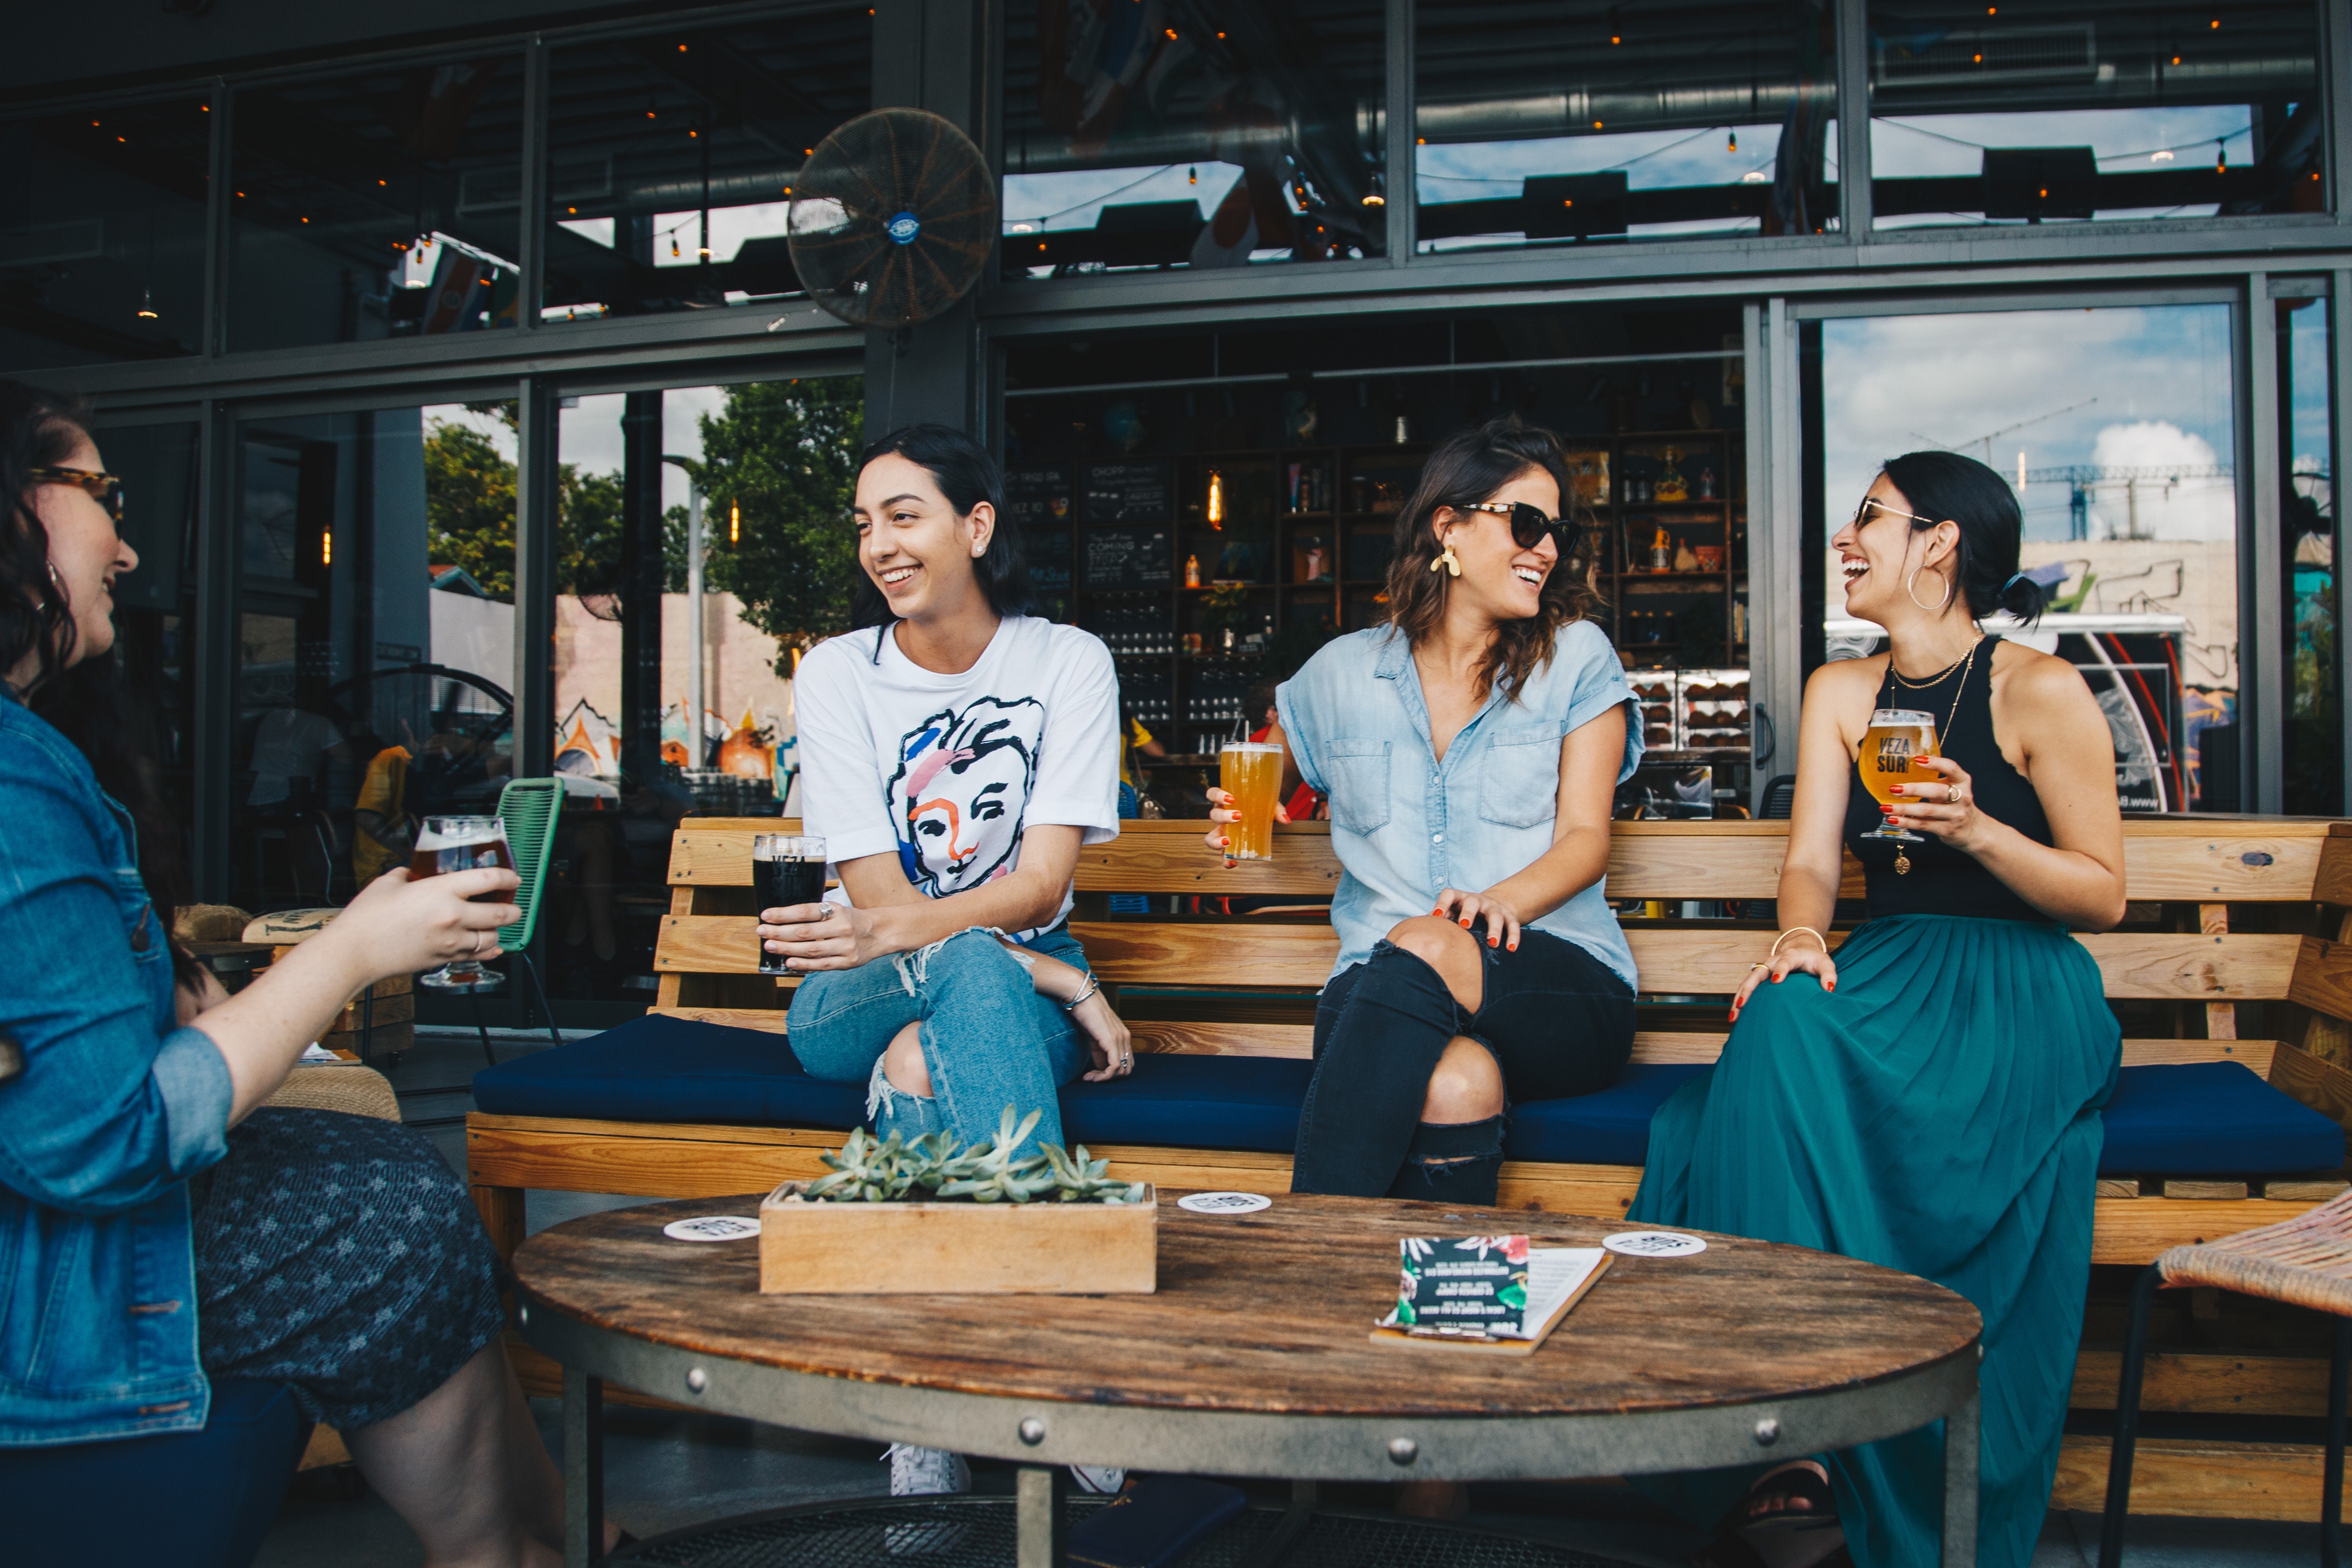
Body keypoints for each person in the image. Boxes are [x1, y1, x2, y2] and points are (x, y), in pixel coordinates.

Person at [0, 381, 607, 1566]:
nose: (126, 545)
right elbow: (98, 1137)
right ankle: (519, 1547)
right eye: (104, 500)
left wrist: (193, 993)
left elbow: (89, 1028)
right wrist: (349, 953)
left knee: (375, 1172)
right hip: (43, 1288)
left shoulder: (37, 752)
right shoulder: (15, 779)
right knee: (378, 1215)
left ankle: (551, 1536)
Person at [1630, 451, 2125, 1568]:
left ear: (1938, 545)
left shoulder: (2036, 690)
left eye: (1869, 518)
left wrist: (1979, 834)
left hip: (2016, 983)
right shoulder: (1839, 691)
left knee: (1736, 1098)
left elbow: (2101, 892)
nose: (1844, 541)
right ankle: (1784, 1443)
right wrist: (1800, 935)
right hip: (1885, 964)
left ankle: (1865, 1440)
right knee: (1775, 1020)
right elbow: (1808, 862)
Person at [757, 424, 1133, 1500]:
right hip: (847, 997)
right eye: (865, 524)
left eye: (904, 514)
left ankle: (927, 1392)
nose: (878, 543)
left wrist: (1024, 951)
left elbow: (1041, 886)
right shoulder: (836, 673)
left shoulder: (1064, 662)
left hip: (982, 991)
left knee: (928, 1060)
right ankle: (1056, 1356)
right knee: (968, 968)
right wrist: (1058, 975)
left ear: (975, 526)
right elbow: (873, 907)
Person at [1210, 417, 1644, 1205]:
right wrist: (1247, 802)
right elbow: (1266, 761)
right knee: (1456, 1083)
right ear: (1449, 526)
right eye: (1526, 522)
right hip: (1379, 993)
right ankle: (1440, 1310)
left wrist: (1494, 907)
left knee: (1430, 942)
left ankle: (1311, 1243)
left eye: (1558, 531)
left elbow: (1586, 841)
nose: (1548, 548)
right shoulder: (1342, 672)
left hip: (1554, 981)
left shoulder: (1576, 657)